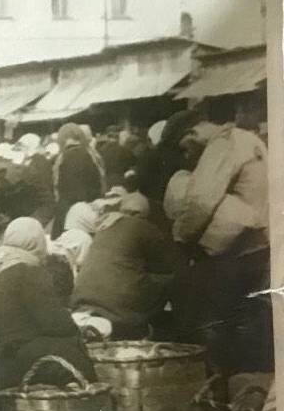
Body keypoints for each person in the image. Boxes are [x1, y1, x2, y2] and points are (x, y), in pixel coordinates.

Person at [168, 115, 271, 375]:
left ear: (191, 133)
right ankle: (247, 384)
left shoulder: (222, 145)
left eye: (185, 147)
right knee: (248, 320)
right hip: (261, 242)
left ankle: (218, 383)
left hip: (234, 249)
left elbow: (201, 200)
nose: (188, 154)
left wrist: (182, 235)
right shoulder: (248, 138)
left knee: (211, 321)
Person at [0, 217, 94, 411]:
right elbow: (57, 324)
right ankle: (93, 406)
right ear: (37, 242)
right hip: (8, 357)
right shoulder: (28, 271)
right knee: (71, 346)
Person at [71, 193, 182, 340]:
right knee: (172, 279)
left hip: (81, 301)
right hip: (120, 310)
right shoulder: (144, 227)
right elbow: (167, 268)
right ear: (140, 214)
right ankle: (150, 329)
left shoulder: (103, 227)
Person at [52, 123, 104, 237]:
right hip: (91, 208)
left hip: (68, 210)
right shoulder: (92, 154)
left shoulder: (61, 158)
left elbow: (57, 187)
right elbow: (101, 180)